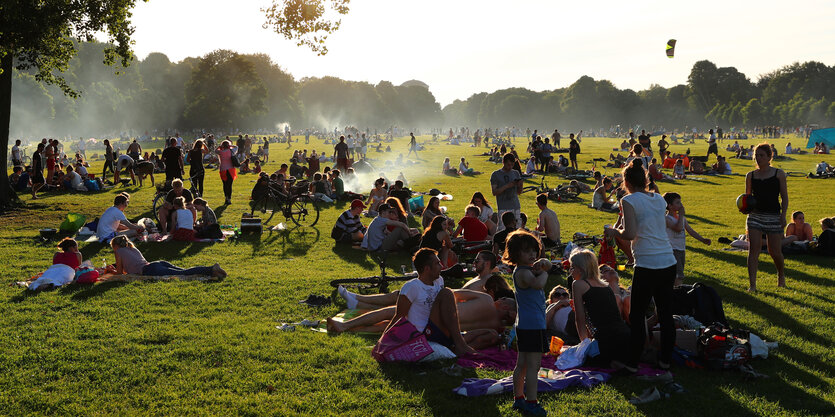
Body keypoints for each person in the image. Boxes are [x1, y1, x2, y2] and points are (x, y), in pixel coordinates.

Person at [328, 249, 498, 355]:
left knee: (491, 334)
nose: (442, 266)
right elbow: (398, 317)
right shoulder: (412, 287)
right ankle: (459, 345)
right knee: (447, 294)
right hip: (423, 333)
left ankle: (455, 346)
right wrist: (382, 342)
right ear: (426, 269)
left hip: (439, 329)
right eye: (437, 264)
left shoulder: (438, 281)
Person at [604, 159, 677, 372]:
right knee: (665, 312)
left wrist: (613, 231)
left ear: (626, 182)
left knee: (637, 315)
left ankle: (632, 363)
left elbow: (630, 234)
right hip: (668, 261)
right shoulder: (659, 199)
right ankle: (665, 360)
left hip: (647, 263)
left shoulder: (629, 201)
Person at [503, 230, 550, 416]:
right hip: (533, 326)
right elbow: (538, 284)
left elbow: (537, 273)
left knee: (521, 363)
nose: (531, 254)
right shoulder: (523, 273)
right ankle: (531, 402)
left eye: (533, 250)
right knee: (533, 365)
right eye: (526, 251)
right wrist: (546, 271)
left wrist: (542, 265)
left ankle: (519, 398)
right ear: (515, 254)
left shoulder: (525, 270)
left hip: (524, 324)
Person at [570, 248, 631, 367]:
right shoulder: (605, 285)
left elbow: (580, 317)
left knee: (578, 356)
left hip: (607, 341)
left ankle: (612, 362)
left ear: (581, 269)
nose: (571, 272)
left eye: (572, 268)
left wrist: (584, 344)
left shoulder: (579, 284)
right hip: (626, 336)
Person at [745, 143, 788, 291]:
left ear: (770, 157)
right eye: (756, 155)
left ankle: (781, 275)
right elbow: (747, 198)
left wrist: (783, 215)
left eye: (762, 155)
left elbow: (784, 197)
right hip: (755, 216)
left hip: (774, 216)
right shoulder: (750, 175)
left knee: (774, 251)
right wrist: (745, 208)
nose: (758, 158)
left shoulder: (779, 174)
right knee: (753, 250)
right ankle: (752, 285)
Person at [110, 235, 226, 278]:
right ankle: (211, 271)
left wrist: (111, 270)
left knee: (184, 273)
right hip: (157, 263)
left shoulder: (118, 252)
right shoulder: (131, 247)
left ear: (115, 246)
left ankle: (211, 269)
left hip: (150, 269)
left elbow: (120, 273)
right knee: (185, 272)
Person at [663, 192, 711, 287]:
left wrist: (702, 239)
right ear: (669, 205)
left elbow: (690, 231)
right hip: (672, 250)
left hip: (681, 249)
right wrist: (681, 216)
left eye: (680, 202)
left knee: (678, 273)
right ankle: (677, 293)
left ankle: (673, 291)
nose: (681, 205)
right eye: (677, 203)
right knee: (678, 275)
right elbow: (678, 228)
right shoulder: (666, 219)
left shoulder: (682, 219)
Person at [491, 153, 523, 231]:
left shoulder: (516, 173)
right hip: (503, 207)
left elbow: (519, 192)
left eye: (512, 165)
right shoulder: (496, 174)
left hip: (515, 205)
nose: (510, 167)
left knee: (517, 229)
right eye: (508, 165)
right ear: (503, 162)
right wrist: (507, 186)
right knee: (502, 229)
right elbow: (494, 192)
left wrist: (520, 185)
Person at [216, 140, 237, 204]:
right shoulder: (231, 151)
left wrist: (220, 147)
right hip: (230, 169)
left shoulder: (220, 152)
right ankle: (229, 199)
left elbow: (215, 150)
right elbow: (236, 147)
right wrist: (230, 146)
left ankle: (226, 197)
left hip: (223, 169)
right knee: (229, 185)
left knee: (225, 185)